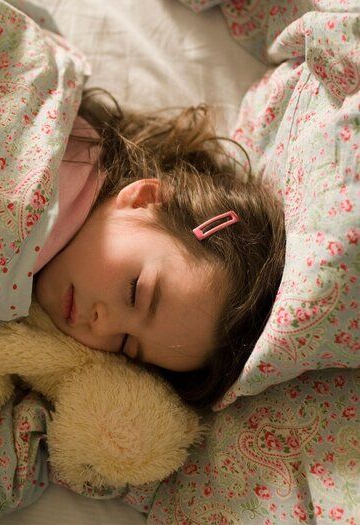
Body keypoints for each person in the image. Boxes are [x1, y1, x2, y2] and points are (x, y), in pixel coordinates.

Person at [33, 88, 286, 409]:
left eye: (125, 344)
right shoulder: (59, 159)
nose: (102, 326)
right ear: (143, 200)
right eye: (135, 292)